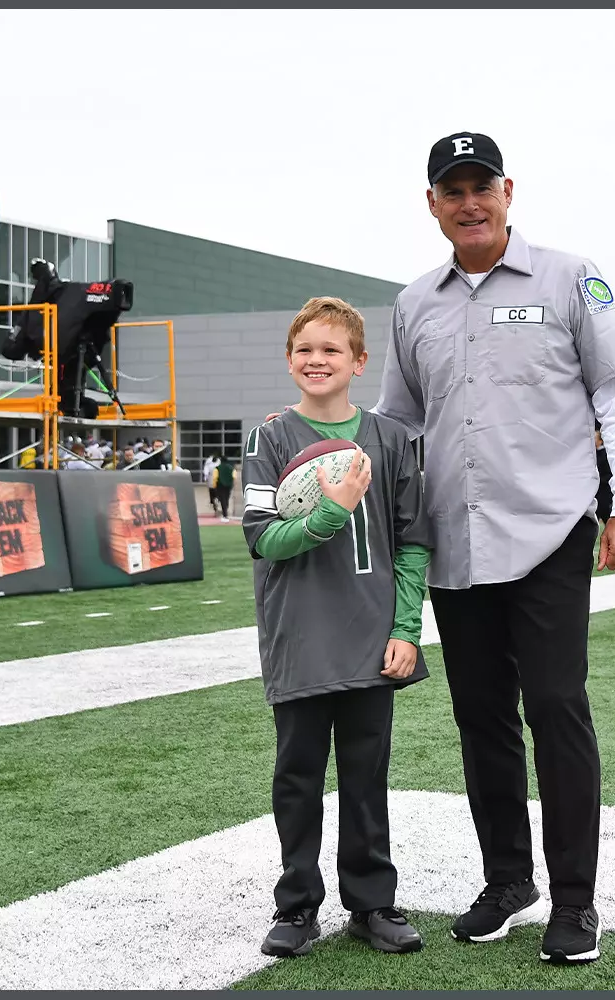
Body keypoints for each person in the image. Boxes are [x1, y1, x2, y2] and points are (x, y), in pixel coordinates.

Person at [371, 131, 615, 965]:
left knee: (558, 708)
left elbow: (614, 396)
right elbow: (400, 425)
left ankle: (575, 901)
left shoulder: (570, 277)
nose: (469, 202)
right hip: (455, 539)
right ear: (432, 205)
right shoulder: (413, 300)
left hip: (550, 530)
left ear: (508, 191)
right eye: (451, 190)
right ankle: (507, 879)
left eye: (480, 186)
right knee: (480, 718)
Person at [242, 296, 432, 960]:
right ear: (289, 359)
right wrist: (331, 511)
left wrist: (406, 628)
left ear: (359, 360)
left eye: (331, 349)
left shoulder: (391, 439)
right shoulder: (268, 437)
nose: (317, 360)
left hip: (371, 636)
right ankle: (296, 906)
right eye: (304, 349)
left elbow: (411, 543)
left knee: (365, 773)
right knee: (296, 775)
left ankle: (372, 902)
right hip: (297, 633)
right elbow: (263, 540)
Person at [214, 455, 235, 523]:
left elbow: (215, 477)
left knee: (222, 499)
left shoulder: (217, 468)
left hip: (220, 485)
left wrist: (214, 486)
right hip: (228, 485)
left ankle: (225, 514)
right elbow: (234, 476)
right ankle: (225, 513)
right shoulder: (231, 468)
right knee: (226, 498)